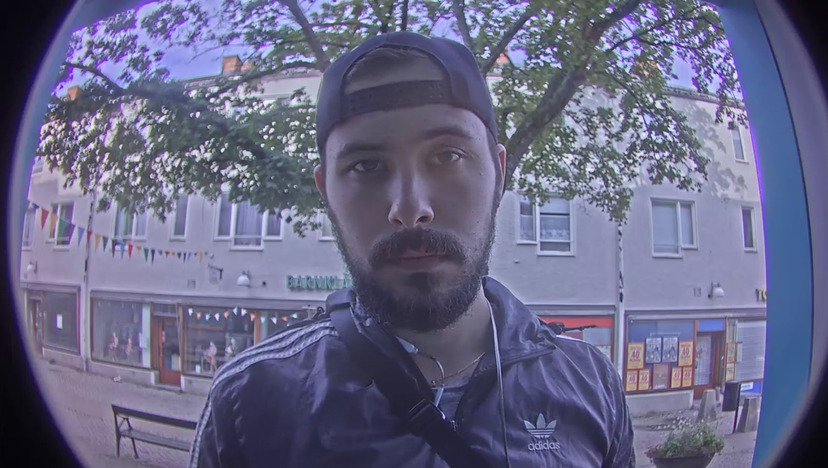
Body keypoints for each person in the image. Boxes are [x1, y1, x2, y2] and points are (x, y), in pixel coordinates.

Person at [190, 31, 635, 467]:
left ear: (499, 174)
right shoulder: (250, 401)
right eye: (366, 165)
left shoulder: (591, 385)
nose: (409, 210)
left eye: (448, 156)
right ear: (325, 193)